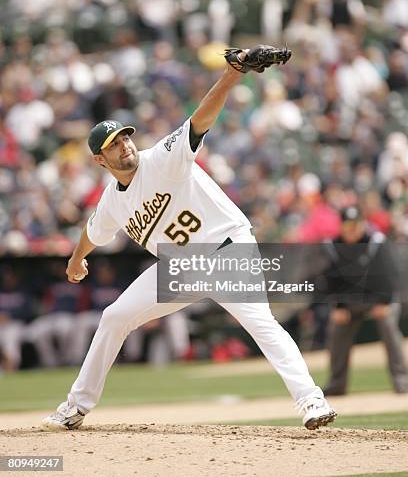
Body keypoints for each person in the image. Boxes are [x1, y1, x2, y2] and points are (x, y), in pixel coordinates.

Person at [42, 45, 336, 431]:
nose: (124, 145)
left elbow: (200, 120)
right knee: (114, 316)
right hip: (183, 266)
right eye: (113, 145)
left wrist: (232, 74)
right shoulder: (112, 201)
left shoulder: (161, 158)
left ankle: (311, 400)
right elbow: (93, 231)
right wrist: (77, 258)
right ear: (100, 159)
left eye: (125, 138)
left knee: (262, 325)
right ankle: (76, 407)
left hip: (228, 248)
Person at [320, 206, 408, 396]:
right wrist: (338, 306)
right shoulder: (332, 246)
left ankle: (402, 380)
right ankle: (337, 384)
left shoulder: (376, 242)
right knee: (336, 328)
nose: (352, 229)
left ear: (363, 224)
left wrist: (384, 302)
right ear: (341, 226)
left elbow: (391, 274)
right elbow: (330, 280)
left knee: (388, 324)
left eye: (356, 224)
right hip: (350, 302)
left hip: (380, 299)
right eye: (348, 225)